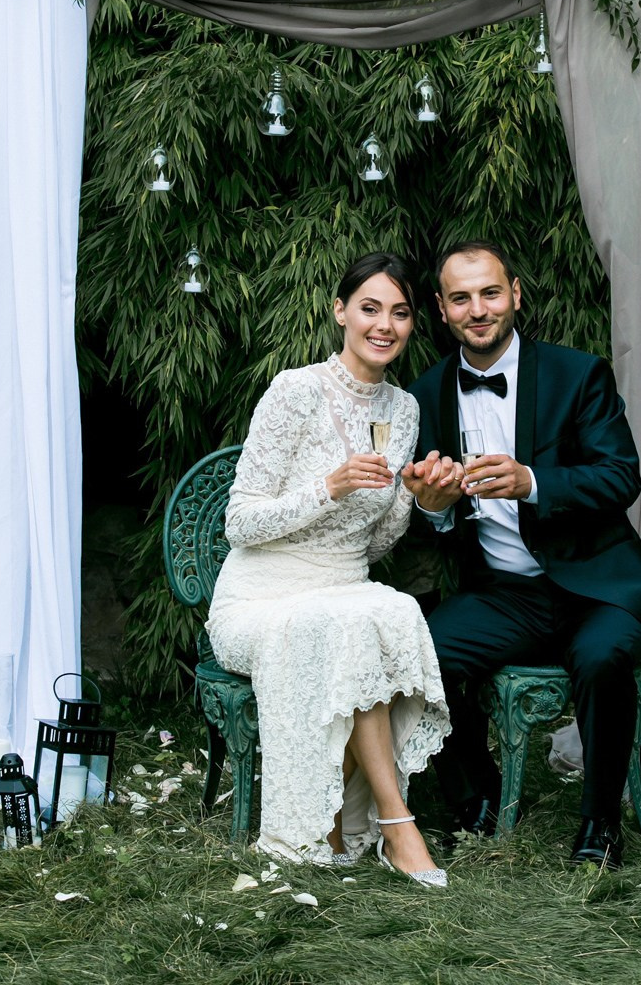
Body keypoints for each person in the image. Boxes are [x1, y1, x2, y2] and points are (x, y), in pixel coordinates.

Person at [403, 240, 641, 870]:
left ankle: (601, 825)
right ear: (442, 310)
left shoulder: (578, 374)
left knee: (603, 657)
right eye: (461, 298)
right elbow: (431, 519)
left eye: (490, 293)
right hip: (504, 595)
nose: (478, 309)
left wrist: (534, 481)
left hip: (595, 584)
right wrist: (434, 504)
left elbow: (620, 477)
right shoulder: (426, 394)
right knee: (414, 653)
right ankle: (480, 798)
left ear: (515, 295)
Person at [206, 252, 449, 886]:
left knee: (391, 608)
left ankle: (345, 817)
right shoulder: (295, 390)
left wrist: (415, 500)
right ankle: (397, 823)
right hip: (261, 597)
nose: (384, 325)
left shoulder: (404, 410)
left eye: (399, 313)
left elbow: (373, 549)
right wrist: (329, 487)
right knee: (357, 621)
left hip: (345, 588)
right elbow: (241, 522)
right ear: (340, 311)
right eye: (370, 308)